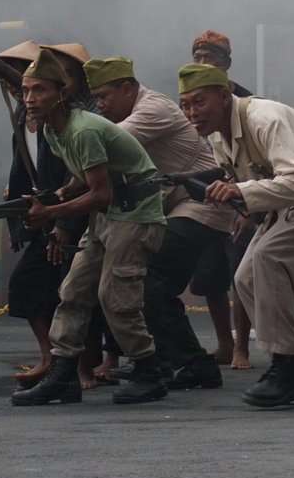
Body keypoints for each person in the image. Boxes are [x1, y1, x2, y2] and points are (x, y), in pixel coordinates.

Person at [177, 62, 294, 407]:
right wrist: (246, 205)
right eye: (185, 104)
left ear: (224, 96)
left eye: (198, 102)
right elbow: (256, 178)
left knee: (267, 257)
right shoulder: (218, 136)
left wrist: (241, 193)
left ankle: (285, 369)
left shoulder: (265, 118)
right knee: (246, 276)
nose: (191, 112)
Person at [11, 49, 168, 407]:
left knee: (117, 299)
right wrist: (61, 193)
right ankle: (62, 374)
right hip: (110, 215)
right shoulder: (54, 131)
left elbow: (100, 192)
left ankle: (149, 371)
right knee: (73, 290)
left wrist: (51, 212)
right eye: (26, 91)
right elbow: (85, 178)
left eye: (40, 91)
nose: (30, 99)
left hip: (135, 215)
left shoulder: (81, 130)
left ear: (61, 94)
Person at [85, 56, 232, 390]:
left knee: (147, 276)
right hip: (175, 205)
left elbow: (102, 142)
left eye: (105, 96)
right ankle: (164, 360)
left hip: (201, 203)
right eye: (95, 98)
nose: (100, 105)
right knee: (151, 282)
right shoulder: (136, 109)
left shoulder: (153, 109)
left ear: (127, 89)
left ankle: (190, 362)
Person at [0, 41, 87, 389]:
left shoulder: (67, 119)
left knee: (74, 292)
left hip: (74, 216)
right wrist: (18, 226)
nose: (21, 91)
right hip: (43, 215)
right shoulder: (21, 117)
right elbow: (20, 173)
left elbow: (78, 178)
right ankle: (50, 358)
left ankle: (80, 367)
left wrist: (63, 226)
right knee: (27, 285)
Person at [187, 28, 254, 368]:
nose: (202, 63)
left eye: (209, 58)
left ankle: (242, 346)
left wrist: (248, 207)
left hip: (240, 196)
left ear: (226, 64)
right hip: (207, 197)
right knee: (210, 275)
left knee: (239, 273)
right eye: (197, 57)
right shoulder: (188, 101)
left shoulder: (246, 102)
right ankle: (224, 344)